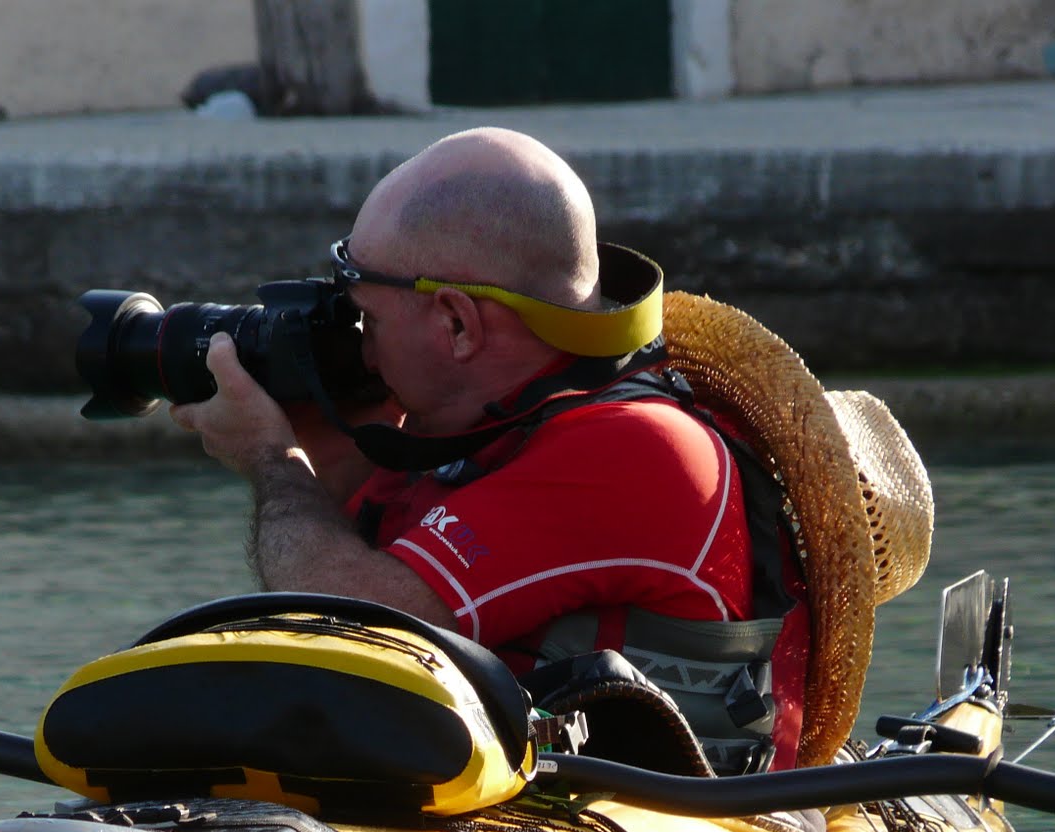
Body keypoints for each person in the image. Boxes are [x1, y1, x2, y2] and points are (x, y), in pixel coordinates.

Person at [173, 126, 810, 774]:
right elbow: (348, 588)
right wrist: (329, 459)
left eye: (366, 316)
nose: (357, 343)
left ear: (455, 323)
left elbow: (362, 627)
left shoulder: (634, 449)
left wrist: (272, 461)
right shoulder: (465, 435)